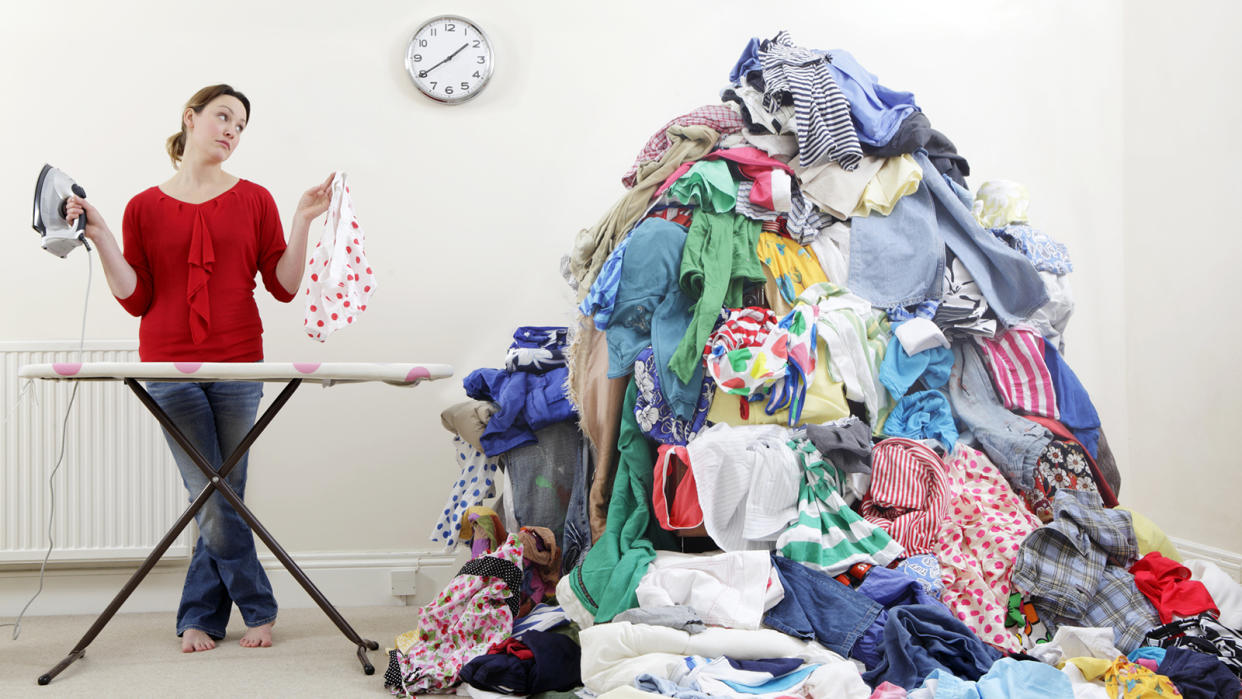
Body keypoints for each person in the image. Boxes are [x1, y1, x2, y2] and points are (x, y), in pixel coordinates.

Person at [65, 84, 332, 653]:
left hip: (239, 364)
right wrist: (103, 234)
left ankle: (200, 617)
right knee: (212, 492)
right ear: (190, 118)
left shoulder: (256, 198)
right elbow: (134, 296)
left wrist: (302, 218)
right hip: (167, 365)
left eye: (240, 124)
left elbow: (283, 287)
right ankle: (258, 607)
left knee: (221, 490)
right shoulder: (143, 206)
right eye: (222, 116)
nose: (232, 129)